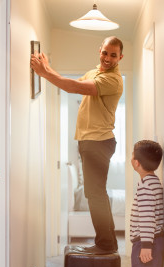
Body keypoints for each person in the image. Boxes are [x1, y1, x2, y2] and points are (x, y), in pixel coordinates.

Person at [30, 37, 124, 254]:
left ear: (120, 57)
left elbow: (74, 87)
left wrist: (45, 72)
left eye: (113, 55)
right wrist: (48, 68)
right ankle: (108, 241)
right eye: (105, 53)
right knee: (96, 193)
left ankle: (105, 244)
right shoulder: (94, 72)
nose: (108, 58)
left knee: (96, 194)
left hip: (98, 142)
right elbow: (73, 85)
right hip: (89, 141)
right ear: (99, 50)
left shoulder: (113, 80)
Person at [121, 140, 164, 267]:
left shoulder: (147, 186)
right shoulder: (150, 181)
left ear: (136, 163)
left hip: (148, 243)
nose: (131, 159)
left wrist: (146, 245)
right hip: (147, 241)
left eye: (132, 156)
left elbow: (147, 217)